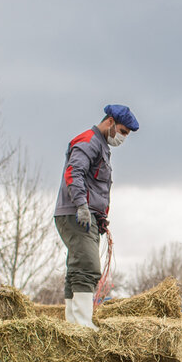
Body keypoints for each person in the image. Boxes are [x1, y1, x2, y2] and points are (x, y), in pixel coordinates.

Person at [54, 104, 139, 327]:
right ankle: (82, 323)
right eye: (122, 131)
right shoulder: (89, 141)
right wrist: (82, 205)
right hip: (78, 214)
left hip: (88, 216)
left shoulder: (101, 146)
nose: (123, 138)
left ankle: (73, 323)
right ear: (110, 122)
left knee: (77, 267)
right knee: (89, 267)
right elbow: (74, 172)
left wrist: (99, 217)